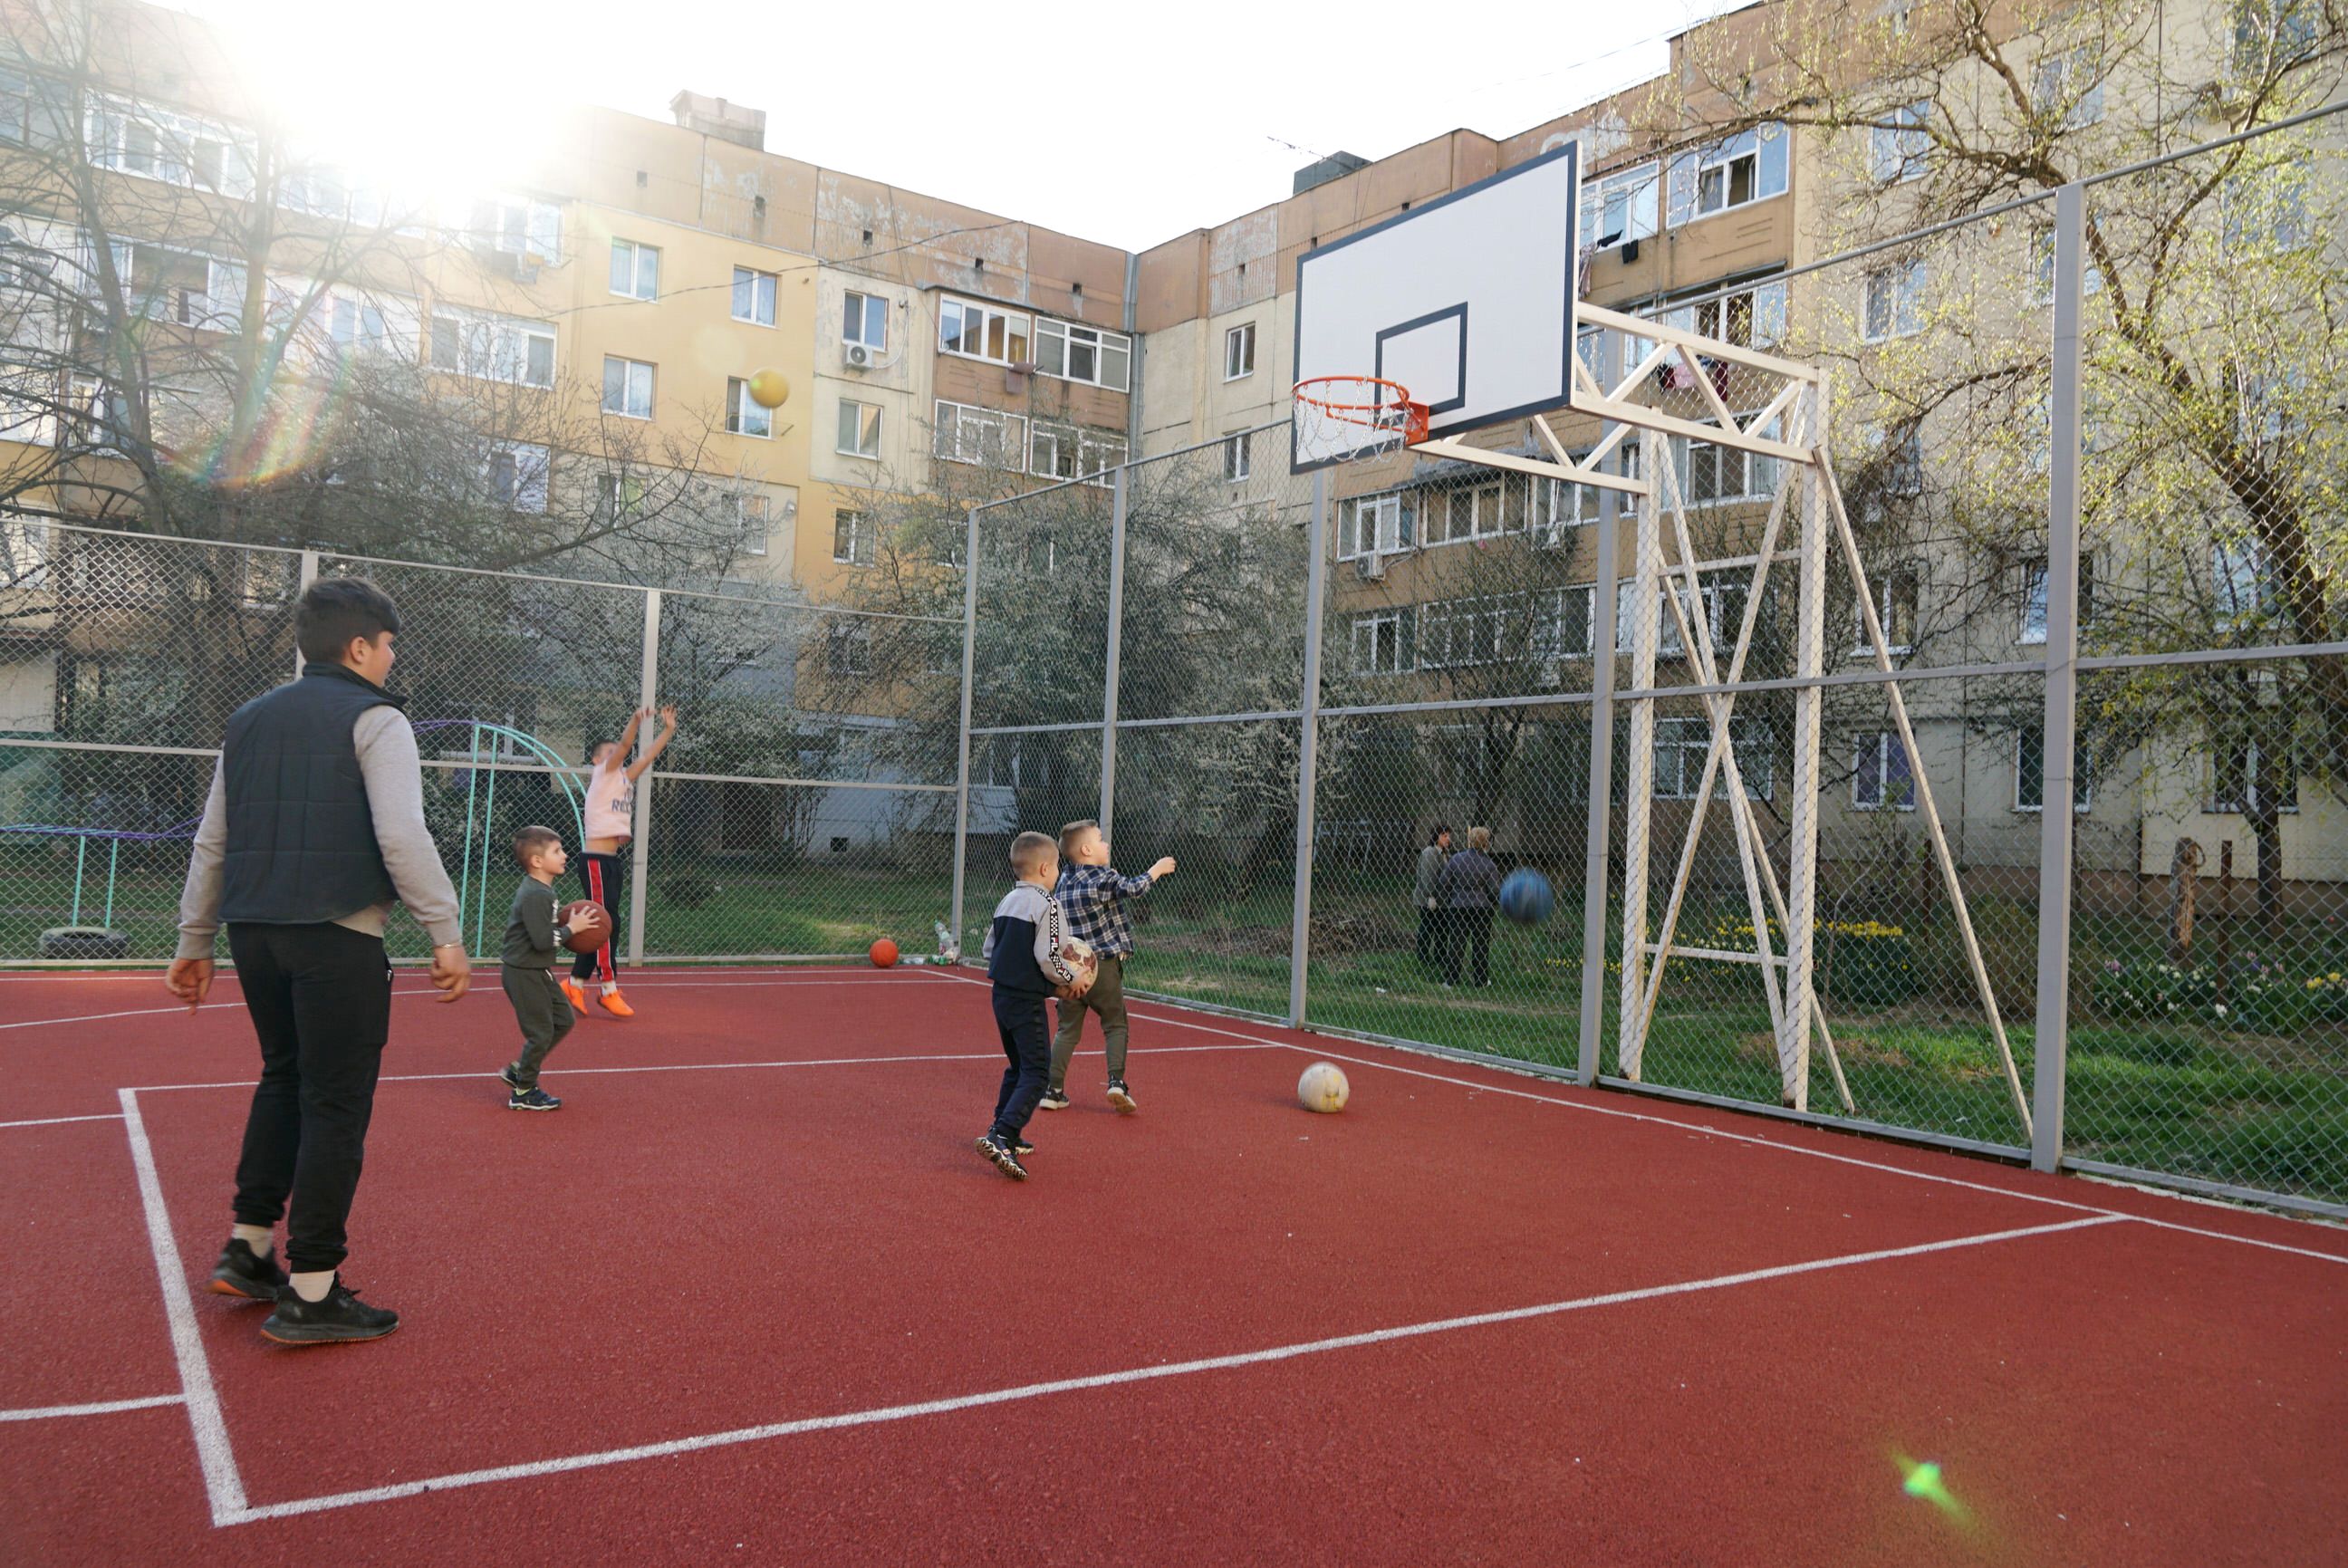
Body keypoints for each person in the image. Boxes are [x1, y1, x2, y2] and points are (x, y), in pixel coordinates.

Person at [167, 578, 469, 1346]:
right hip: (336, 934)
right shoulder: (378, 719)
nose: (394, 658)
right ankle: (312, 1289)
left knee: (284, 1077)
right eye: (390, 645)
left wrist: (193, 939)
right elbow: (401, 834)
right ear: (361, 646)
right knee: (335, 1102)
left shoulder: (248, 720)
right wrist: (446, 928)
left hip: (253, 931)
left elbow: (214, 838)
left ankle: (250, 1246)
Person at [1040, 819, 1175, 1115]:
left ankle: (1053, 1090)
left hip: (1070, 971)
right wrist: (1157, 870)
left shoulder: (1064, 879)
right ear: (1087, 849)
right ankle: (1116, 1081)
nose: (1106, 844)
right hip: (1102, 966)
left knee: (1067, 1030)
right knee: (1115, 1023)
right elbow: (1133, 888)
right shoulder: (1103, 877)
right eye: (1100, 840)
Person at [975, 831, 1090, 1179]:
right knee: (1038, 1072)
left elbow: (988, 950)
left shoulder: (1007, 900)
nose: (1057, 875)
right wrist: (1072, 978)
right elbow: (1049, 956)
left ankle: (1002, 1125)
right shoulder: (1048, 905)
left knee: (1018, 1066)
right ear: (1044, 868)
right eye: (1056, 868)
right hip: (1026, 1002)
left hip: (1002, 998)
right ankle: (1002, 1134)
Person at [567, 703, 677, 1020]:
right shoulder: (603, 773)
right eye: (612, 751)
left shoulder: (624, 779)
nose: (620, 753)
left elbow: (645, 757)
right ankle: (607, 989)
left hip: (611, 863)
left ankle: (575, 983)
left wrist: (668, 730)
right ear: (598, 760)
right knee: (605, 924)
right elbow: (628, 745)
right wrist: (635, 721)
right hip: (595, 862)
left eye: (618, 752)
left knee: (606, 925)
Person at [497, 826, 606, 1111]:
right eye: (557, 851)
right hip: (523, 971)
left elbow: (544, 933)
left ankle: (520, 1071)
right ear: (536, 861)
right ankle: (524, 1091)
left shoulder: (543, 890)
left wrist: (570, 925)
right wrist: (573, 928)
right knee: (541, 1032)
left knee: (564, 1020)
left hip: (536, 968)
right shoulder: (536, 894)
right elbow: (543, 940)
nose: (565, 855)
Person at [1440, 826, 1504, 990]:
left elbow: (1444, 883)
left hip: (1458, 906)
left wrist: (1451, 899)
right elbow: (1494, 890)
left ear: (1470, 840)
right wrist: (1492, 902)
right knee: (1481, 944)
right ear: (1486, 844)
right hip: (1481, 908)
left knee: (1456, 943)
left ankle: (1451, 980)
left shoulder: (1455, 859)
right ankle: (1480, 981)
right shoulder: (1489, 865)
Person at [1414, 823, 1453, 976]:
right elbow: (1428, 876)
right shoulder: (1430, 852)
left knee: (1442, 929)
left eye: (1449, 835)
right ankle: (1423, 957)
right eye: (1444, 835)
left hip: (1441, 900)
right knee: (1427, 927)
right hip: (1429, 899)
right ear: (1436, 836)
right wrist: (1431, 895)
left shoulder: (1444, 853)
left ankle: (1440, 957)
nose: (1448, 838)